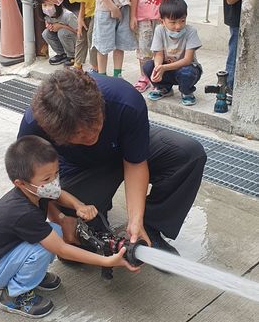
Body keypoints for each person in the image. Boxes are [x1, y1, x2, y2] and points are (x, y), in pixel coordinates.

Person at [18, 69, 207, 254]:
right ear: (56, 134)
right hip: (77, 168)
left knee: (188, 153)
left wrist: (135, 220)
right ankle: (91, 217)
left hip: (121, 147)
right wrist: (59, 218)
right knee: (80, 246)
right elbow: (29, 186)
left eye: (96, 124)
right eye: (80, 134)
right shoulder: (34, 125)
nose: (92, 135)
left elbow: (135, 163)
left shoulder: (125, 100)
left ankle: (149, 227)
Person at [0, 136, 138, 319]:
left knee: (54, 232)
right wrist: (107, 261)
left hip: (3, 255)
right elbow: (62, 249)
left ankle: (26, 276)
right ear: (21, 183)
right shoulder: (22, 212)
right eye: (48, 178)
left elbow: (58, 194)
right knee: (45, 246)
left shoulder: (33, 192)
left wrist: (79, 206)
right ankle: (14, 296)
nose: (54, 182)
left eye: (56, 173)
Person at [31, 0, 102, 72]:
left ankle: (95, 68)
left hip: (99, 7)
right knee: (81, 35)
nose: (47, 6)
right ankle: (77, 65)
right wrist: (81, 17)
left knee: (91, 37)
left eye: (46, 3)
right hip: (89, 9)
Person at [143, 0, 202, 106]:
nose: (178, 26)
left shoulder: (191, 32)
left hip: (186, 68)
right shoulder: (159, 30)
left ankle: (186, 92)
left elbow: (187, 60)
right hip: (168, 68)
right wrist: (158, 67)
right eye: (173, 22)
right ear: (162, 21)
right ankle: (164, 88)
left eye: (182, 21)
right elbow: (158, 54)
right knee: (148, 67)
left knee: (187, 73)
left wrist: (164, 68)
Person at [41, 2, 77, 67]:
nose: (47, 8)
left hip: (75, 41)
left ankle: (72, 55)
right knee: (46, 33)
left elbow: (79, 32)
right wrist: (50, 27)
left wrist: (61, 26)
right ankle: (62, 54)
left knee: (62, 32)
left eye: (50, 4)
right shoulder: (47, 17)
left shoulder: (68, 15)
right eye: (44, 5)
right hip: (63, 39)